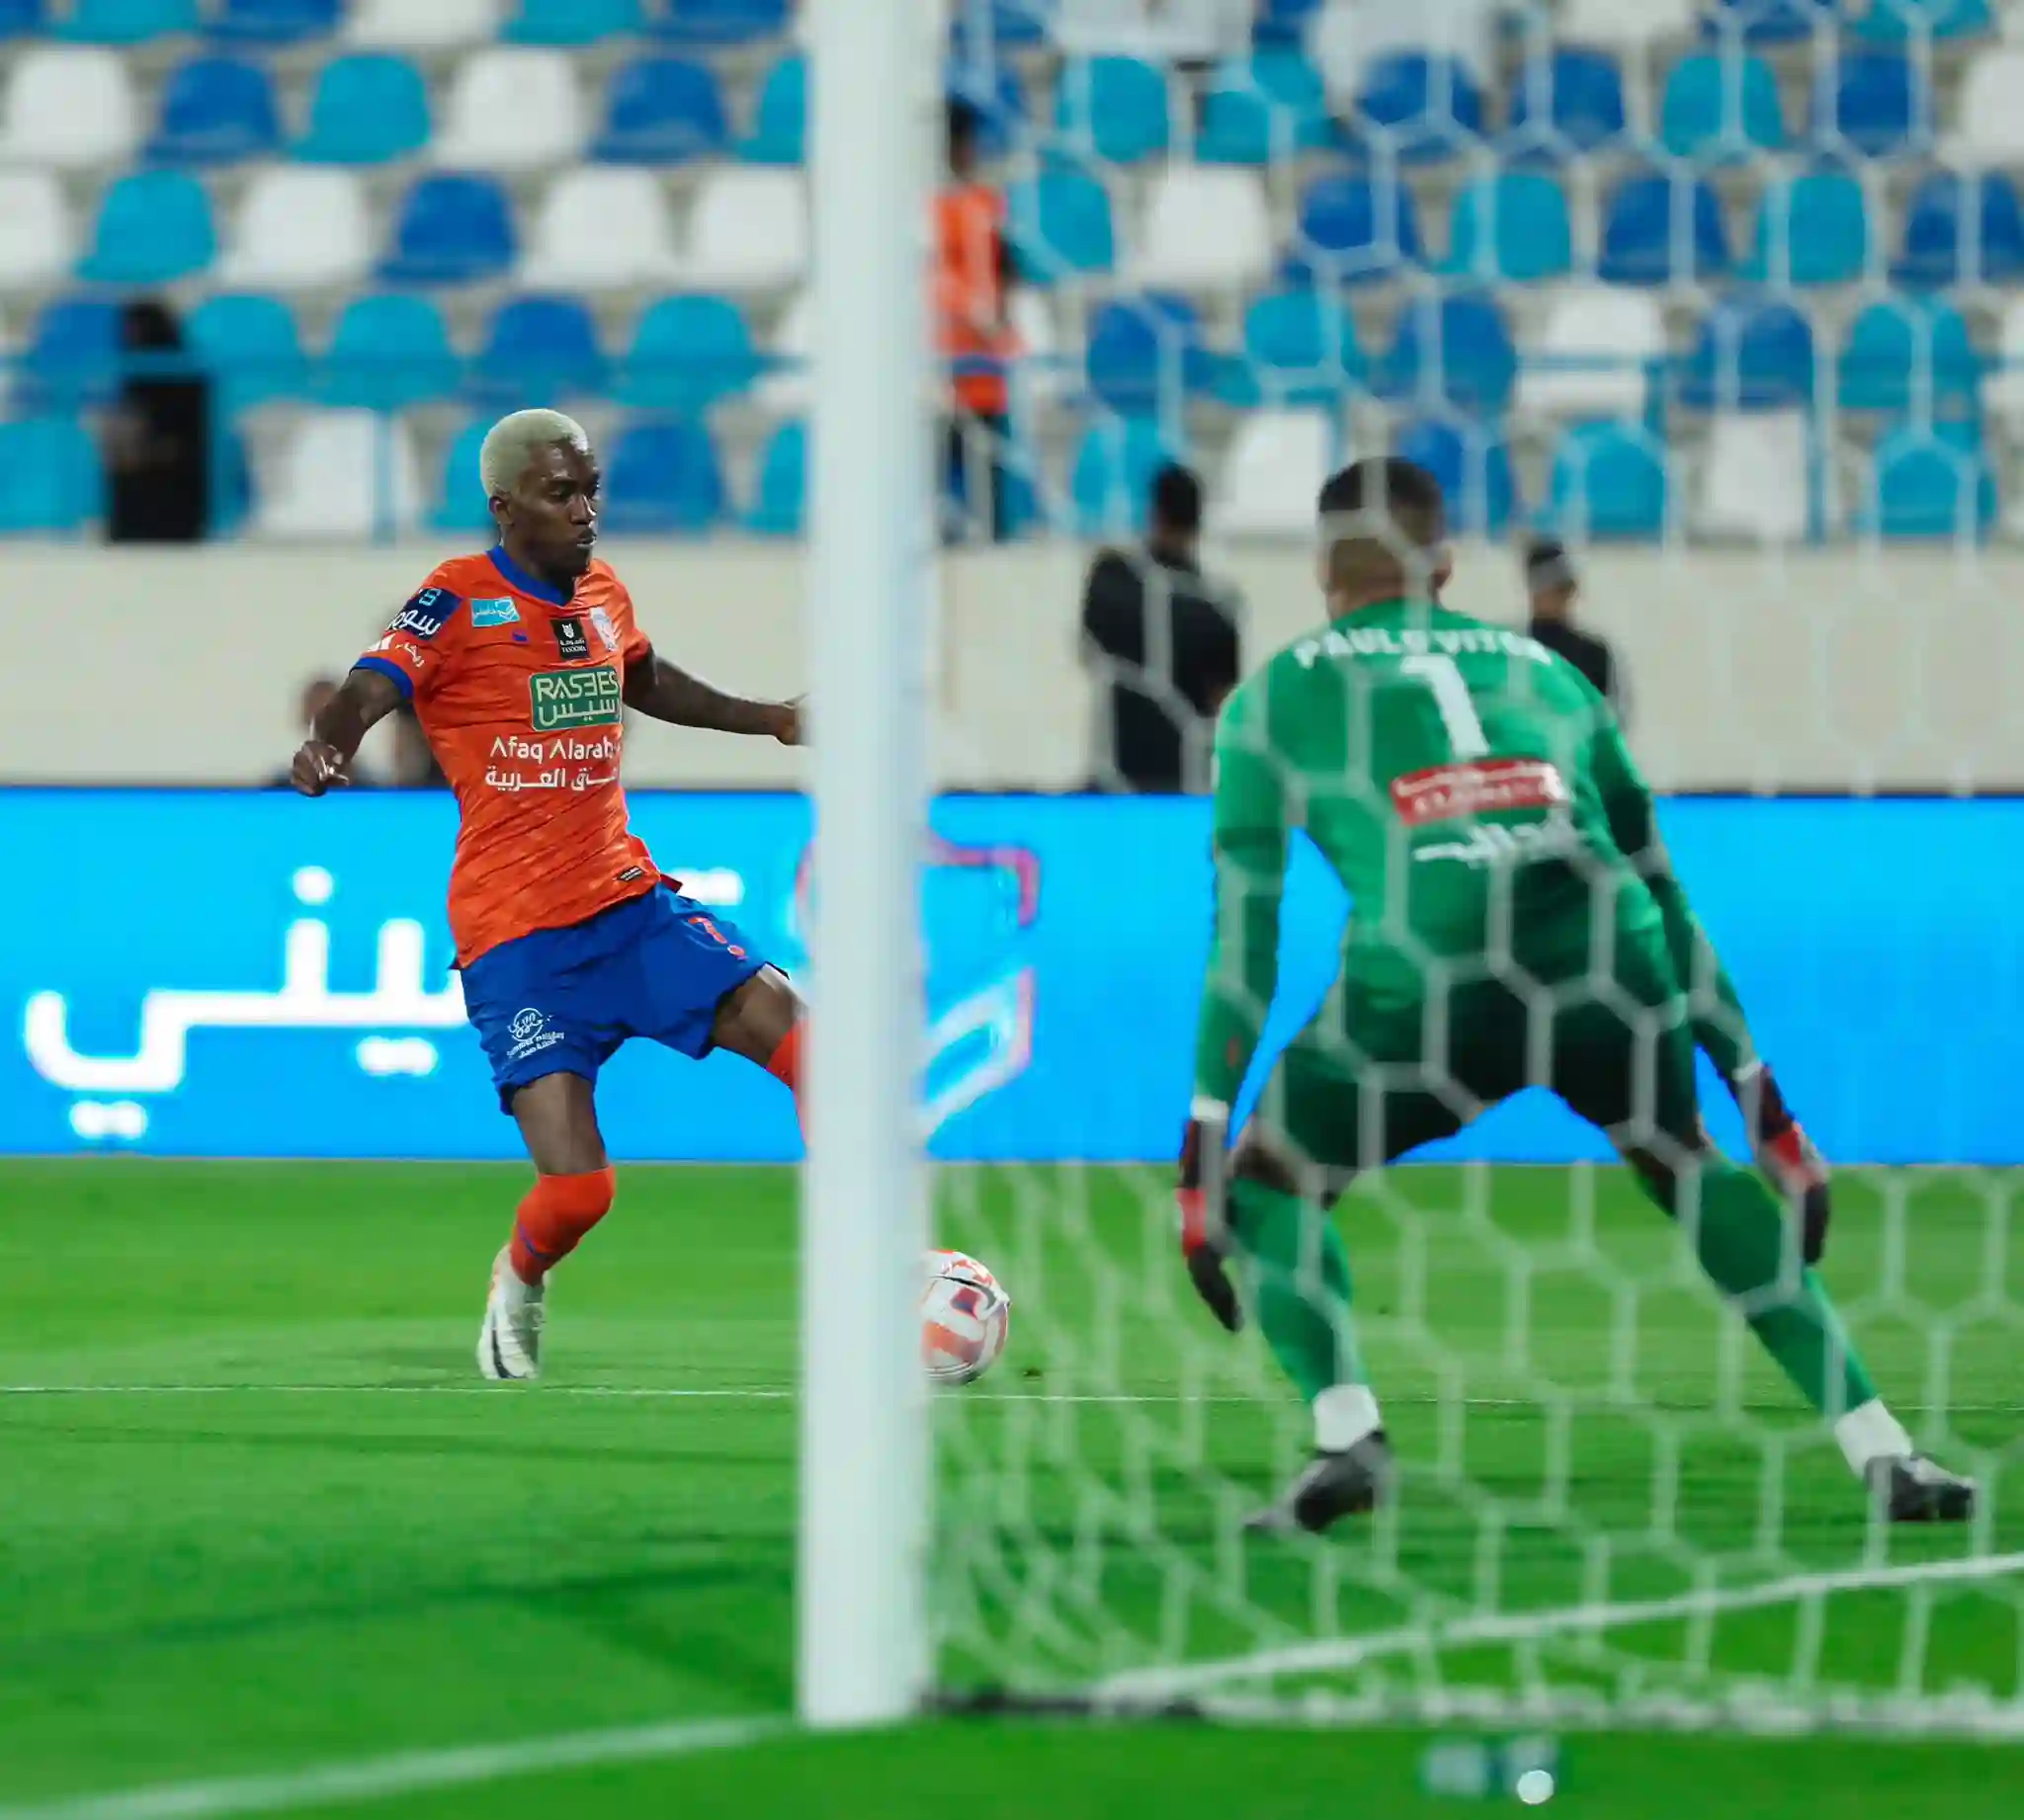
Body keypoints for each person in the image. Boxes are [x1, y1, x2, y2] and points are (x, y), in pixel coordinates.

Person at [1175, 456, 1973, 1532]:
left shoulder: (1269, 699)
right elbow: (1662, 890)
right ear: (1444, 563)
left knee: (1269, 1177)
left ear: (1323, 569)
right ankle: (1884, 1452)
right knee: (1684, 1157)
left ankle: (1346, 1433)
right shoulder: (1550, 673)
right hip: (1604, 954)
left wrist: (1203, 1142)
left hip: (1430, 979)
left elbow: (1247, 938)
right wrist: (1765, 1104)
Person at [290, 408, 803, 1382]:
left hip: (630, 907)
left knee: (814, 1048)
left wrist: (772, 719)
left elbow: (646, 678)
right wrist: (330, 743)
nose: (584, 512)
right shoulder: (455, 598)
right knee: (579, 1194)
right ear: (504, 506)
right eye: (561, 494)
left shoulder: (604, 593)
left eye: (590, 491)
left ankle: (880, 1271)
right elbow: (368, 687)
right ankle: (519, 1277)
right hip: (518, 941)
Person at [1079, 464, 1243, 793]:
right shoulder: (1217, 606)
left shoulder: (1111, 579)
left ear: (1154, 512)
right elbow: (1225, 704)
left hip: (1117, 781)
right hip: (1183, 787)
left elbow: (1086, 651)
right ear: (1199, 522)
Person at [936, 99, 1016, 543]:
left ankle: (992, 541)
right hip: (936, 368)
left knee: (988, 482)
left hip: (979, 369)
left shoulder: (986, 207)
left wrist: (994, 320)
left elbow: (1007, 275)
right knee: (928, 479)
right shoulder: (922, 210)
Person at [105, 299, 210, 544]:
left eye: (136, 330)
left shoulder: (190, 380)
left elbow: (186, 443)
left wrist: (145, 448)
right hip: (137, 497)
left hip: (179, 493)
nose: (131, 337)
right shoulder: (130, 379)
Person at [1524, 538, 1626, 724]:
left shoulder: (1594, 654)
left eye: (1567, 588)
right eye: (1557, 589)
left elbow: (1613, 722)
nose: (1565, 596)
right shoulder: (1515, 652)